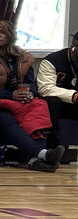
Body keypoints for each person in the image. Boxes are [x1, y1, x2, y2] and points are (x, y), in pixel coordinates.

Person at [0, 21, 61, 173]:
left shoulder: (22, 56)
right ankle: (41, 154)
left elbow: (31, 82)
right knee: (4, 117)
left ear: (10, 35)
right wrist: (10, 95)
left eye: (2, 32)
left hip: (18, 101)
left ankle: (35, 159)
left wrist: (30, 93)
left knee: (39, 110)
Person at [36, 29, 78, 162]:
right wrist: (74, 95)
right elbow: (45, 88)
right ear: (73, 46)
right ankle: (53, 150)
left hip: (75, 104)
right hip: (57, 103)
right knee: (52, 102)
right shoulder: (52, 60)